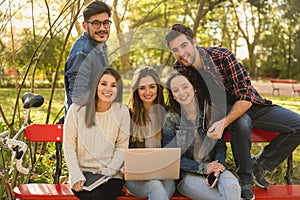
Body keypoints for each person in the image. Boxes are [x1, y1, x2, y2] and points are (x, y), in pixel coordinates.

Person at [164, 23, 300, 200]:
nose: (181, 53)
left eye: (184, 45)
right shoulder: (180, 68)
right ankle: (245, 180)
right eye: (175, 49)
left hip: (250, 104)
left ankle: (261, 164)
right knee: (242, 122)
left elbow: (245, 95)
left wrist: (224, 122)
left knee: (297, 125)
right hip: (218, 113)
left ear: (194, 42)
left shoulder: (222, 57)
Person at [162, 69, 241, 200]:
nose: (181, 93)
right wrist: (203, 168)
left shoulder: (210, 112)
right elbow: (171, 156)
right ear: (173, 96)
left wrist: (217, 167)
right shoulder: (171, 118)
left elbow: (220, 145)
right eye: (176, 90)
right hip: (188, 175)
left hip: (216, 169)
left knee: (233, 189)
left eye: (185, 87)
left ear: (193, 87)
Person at [63, 67, 130, 200]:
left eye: (113, 85)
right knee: (90, 195)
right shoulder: (76, 110)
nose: (108, 89)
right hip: (83, 174)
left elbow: (122, 146)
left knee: (98, 196)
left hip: (110, 175)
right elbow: (69, 146)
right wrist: (76, 174)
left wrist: (108, 171)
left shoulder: (122, 112)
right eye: (103, 84)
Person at [125, 66, 176, 199]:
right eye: (142, 88)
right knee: (155, 186)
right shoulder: (128, 115)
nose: (147, 92)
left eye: (152, 86)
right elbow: (120, 147)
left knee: (160, 189)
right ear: (136, 90)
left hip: (164, 174)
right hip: (136, 176)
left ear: (158, 88)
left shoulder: (168, 114)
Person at [64, 1, 112, 114]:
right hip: (83, 123)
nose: (102, 28)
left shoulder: (101, 47)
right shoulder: (82, 53)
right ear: (85, 26)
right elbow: (78, 99)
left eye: (106, 23)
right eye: (96, 23)